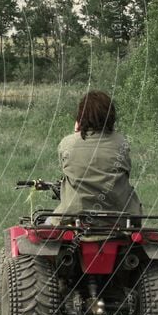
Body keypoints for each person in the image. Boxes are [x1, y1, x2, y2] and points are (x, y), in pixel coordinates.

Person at [50, 90, 142, 226]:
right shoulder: (122, 144)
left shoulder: (67, 144)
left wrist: (77, 132)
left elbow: (66, 171)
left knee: (43, 225)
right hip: (120, 220)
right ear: (110, 116)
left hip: (75, 218)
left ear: (81, 117)